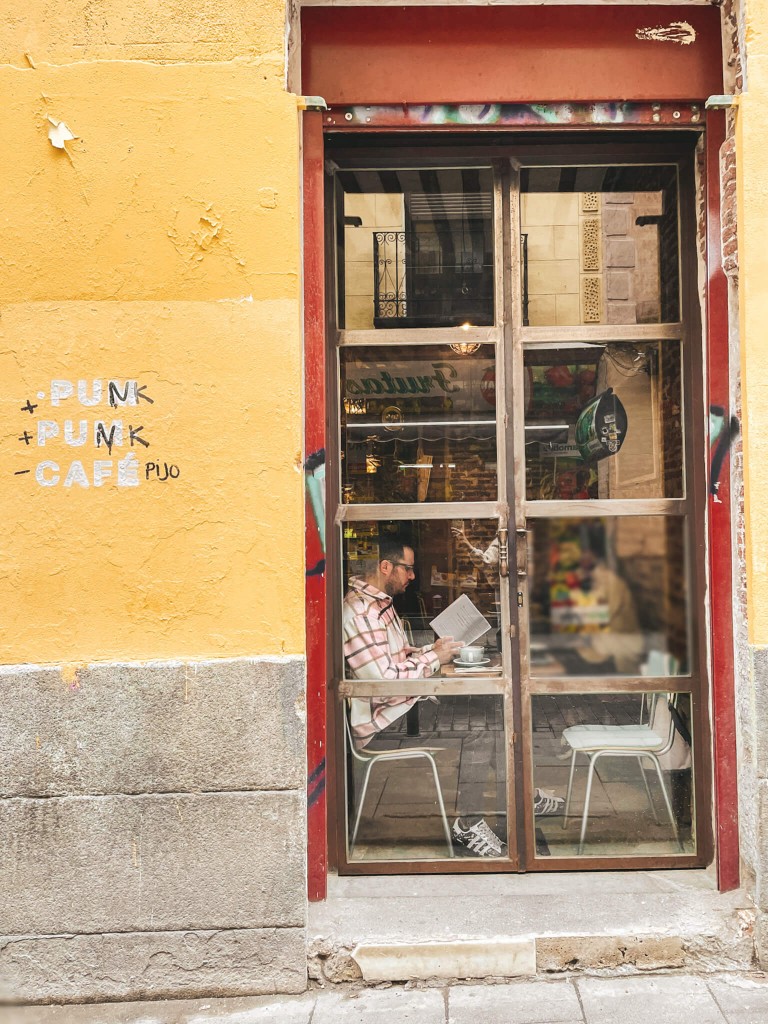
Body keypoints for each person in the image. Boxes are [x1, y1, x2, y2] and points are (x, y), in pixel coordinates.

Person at [343, 535, 563, 858]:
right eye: (408, 569)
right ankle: (468, 824)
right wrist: (434, 659)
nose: (412, 576)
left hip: (403, 707)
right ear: (386, 567)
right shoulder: (361, 613)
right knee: (479, 729)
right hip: (384, 723)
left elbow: (394, 660)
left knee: (492, 713)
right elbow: (385, 681)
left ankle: (517, 795)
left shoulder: (379, 605)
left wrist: (429, 650)